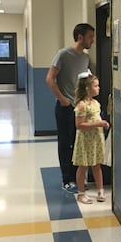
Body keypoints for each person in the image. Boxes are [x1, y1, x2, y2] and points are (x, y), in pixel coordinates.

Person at [45, 23, 95, 193]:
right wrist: (63, 99)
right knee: (65, 144)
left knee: (78, 143)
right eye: (90, 37)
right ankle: (67, 180)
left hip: (80, 108)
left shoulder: (86, 58)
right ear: (80, 37)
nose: (92, 41)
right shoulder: (63, 55)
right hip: (65, 108)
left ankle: (76, 178)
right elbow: (50, 79)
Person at [71, 72, 110, 204]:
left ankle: (100, 189)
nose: (99, 88)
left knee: (96, 164)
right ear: (87, 88)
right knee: (83, 166)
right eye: (96, 86)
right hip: (85, 141)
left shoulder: (96, 103)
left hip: (95, 140)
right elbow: (79, 125)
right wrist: (98, 124)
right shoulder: (82, 105)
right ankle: (81, 193)